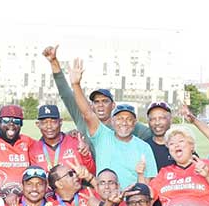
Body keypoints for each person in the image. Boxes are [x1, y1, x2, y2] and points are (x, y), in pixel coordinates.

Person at [65, 57, 157, 186]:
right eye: (119, 118)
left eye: (128, 119)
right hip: (103, 200)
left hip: (129, 202)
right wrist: (76, 84)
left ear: (134, 122)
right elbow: (87, 113)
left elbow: (148, 184)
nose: (124, 123)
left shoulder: (144, 147)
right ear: (112, 121)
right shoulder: (102, 136)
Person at [28, 104, 95, 176]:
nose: (49, 126)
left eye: (53, 122)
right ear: (38, 124)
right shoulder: (34, 149)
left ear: (60, 122)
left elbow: (92, 171)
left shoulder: (75, 143)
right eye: (44, 122)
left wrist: (86, 156)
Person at [145, 101, 175, 171]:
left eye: (161, 118)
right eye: (153, 119)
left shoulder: (180, 146)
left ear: (171, 119)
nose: (157, 123)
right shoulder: (144, 147)